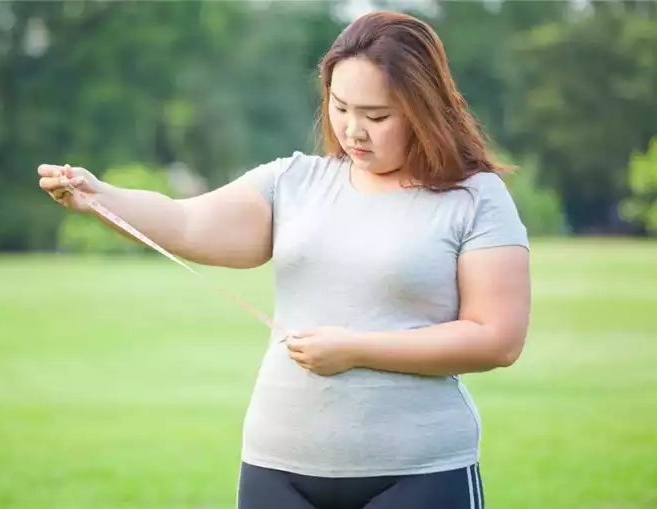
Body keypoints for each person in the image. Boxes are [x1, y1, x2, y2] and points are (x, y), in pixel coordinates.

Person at [38, 11, 530, 509]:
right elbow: (184, 221)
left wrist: (357, 350)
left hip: (420, 474)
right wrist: (99, 196)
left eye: (377, 116)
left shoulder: (475, 198)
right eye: (340, 107)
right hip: (277, 472)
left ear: (424, 108)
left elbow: (497, 338)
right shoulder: (293, 182)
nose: (353, 130)